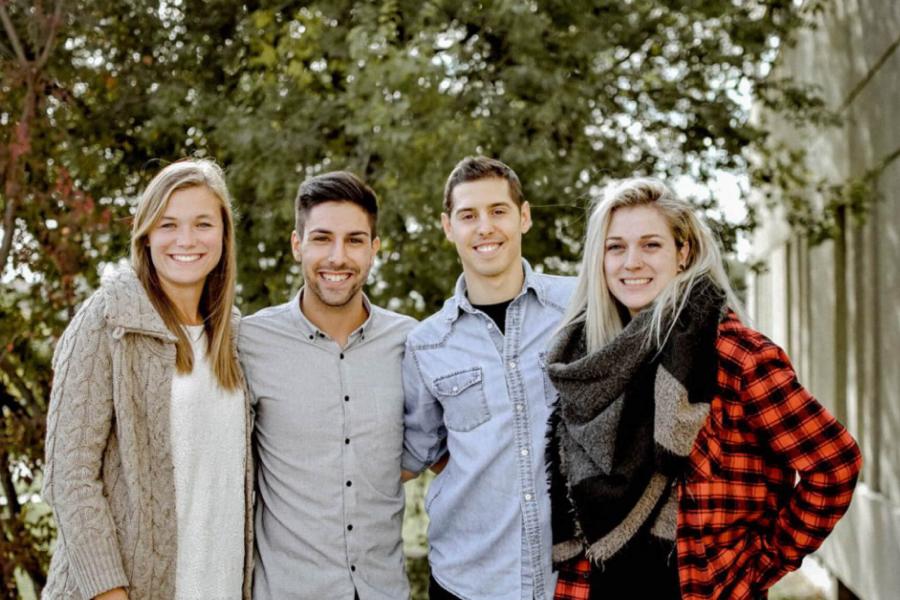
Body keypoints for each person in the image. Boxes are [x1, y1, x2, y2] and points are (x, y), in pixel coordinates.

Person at [546, 177, 862, 600]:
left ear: (684, 253)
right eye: (615, 247)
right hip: (593, 588)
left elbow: (835, 465)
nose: (631, 262)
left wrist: (760, 566)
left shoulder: (734, 355)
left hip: (698, 588)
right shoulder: (587, 363)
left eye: (651, 245)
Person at [41, 159, 253, 600]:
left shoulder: (233, 337)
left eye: (202, 224)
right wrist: (109, 592)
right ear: (146, 234)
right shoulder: (107, 320)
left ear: (224, 235)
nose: (186, 240)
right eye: (169, 224)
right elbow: (70, 477)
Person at [402, 156, 576, 600]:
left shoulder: (579, 307)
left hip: (572, 579)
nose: (485, 227)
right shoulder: (427, 344)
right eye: (468, 215)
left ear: (524, 216)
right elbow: (419, 452)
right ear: (447, 227)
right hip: (469, 582)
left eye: (498, 211)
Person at [239, 171, 415, 600]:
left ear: (374, 250)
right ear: (297, 244)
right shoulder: (249, 343)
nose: (338, 257)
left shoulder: (412, 343)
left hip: (384, 589)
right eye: (322, 239)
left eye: (355, 240)